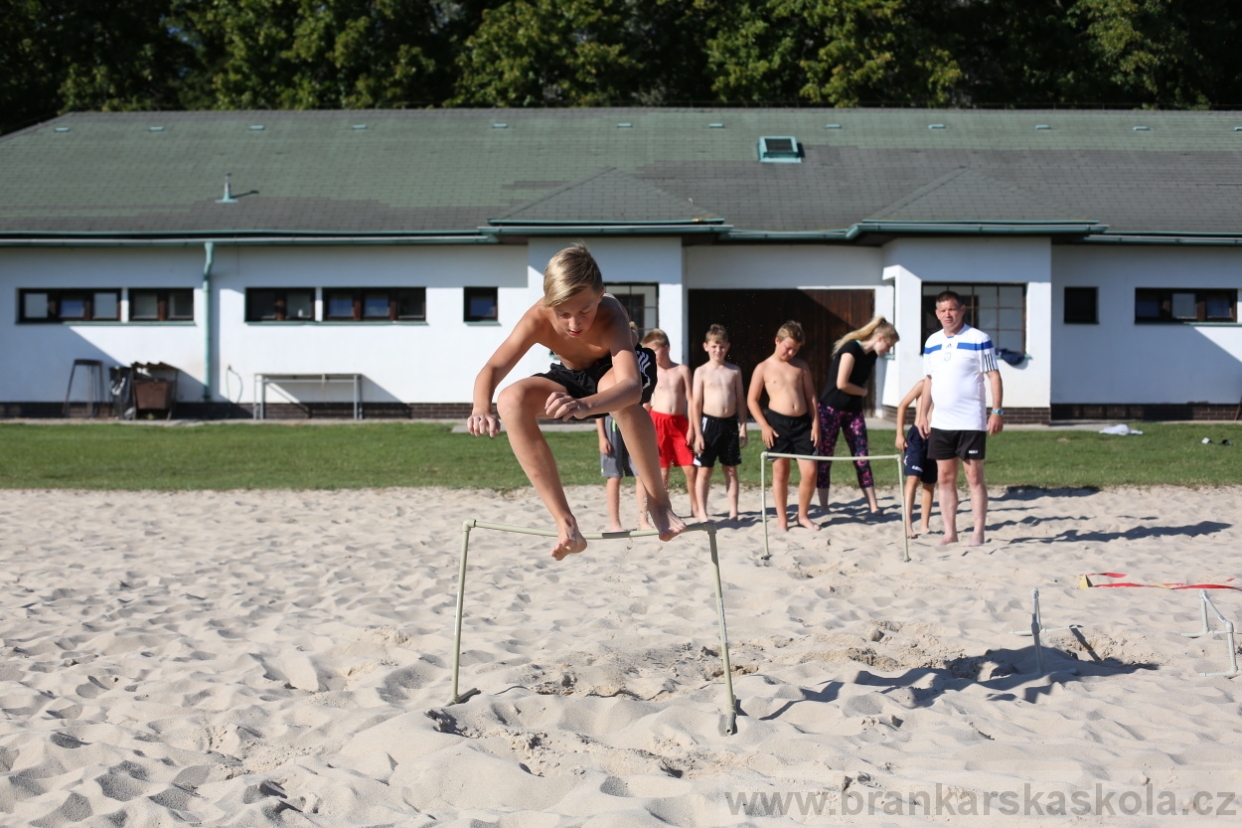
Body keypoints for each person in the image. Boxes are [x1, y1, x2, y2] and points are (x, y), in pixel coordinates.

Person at [467, 243, 686, 559]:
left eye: (584, 311)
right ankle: (565, 523)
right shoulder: (537, 318)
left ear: (600, 294)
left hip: (620, 371)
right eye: (563, 314)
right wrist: (480, 407)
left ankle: (659, 503)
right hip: (572, 373)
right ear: (549, 304)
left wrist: (586, 405)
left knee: (618, 394)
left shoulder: (611, 313)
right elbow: (492, 368)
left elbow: (631, 386)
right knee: (510, 400)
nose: (574, 324)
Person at [915, 290, 1003, 547]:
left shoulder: (979, 339)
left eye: (952, 309)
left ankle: (978, 532)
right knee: (945, 478)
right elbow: (928, 380)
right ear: (936, 314)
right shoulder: (931, 342)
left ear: (962, 310)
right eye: (942, 311)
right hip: (942, 423)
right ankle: (950, 532)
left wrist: (997, 411)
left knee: (974, 477)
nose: (947, 315)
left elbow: (994, 376)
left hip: (971, 422)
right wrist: (922, 414)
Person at [814, 316, 899, 515]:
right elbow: (841, 383)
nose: (889, 350)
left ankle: (874, 506)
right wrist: (863, 392)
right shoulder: (851, 348)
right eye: (889, 345)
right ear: (880, 338)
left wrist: (860, 393)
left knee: (862, 457)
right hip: (830, 409)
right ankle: (824, 506)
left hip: (853, 411)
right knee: (825, 458)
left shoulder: (872, 356)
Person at [747, 320, 822, 532]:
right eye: (787, 347)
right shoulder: (763, 367)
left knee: (810, 471)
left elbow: (811, 397)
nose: (790, 352)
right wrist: (764, 426)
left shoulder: (801, 366)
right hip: (777, 424)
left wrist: (816, 424)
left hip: (802, 424)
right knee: (781, 473)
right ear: (777, 341)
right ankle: (782, 519)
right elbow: (752, 400)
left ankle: (803, 515)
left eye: (795, 349)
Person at [640, 328, 700, 519]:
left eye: (655, 350)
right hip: (658, 422)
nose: (653, 354)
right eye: (649, 351)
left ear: (667, 348)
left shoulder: (681, 370)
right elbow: (647, 402)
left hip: (679, 422)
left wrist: (692, 427)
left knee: (690, 468)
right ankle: (665, 509)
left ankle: (696, 507)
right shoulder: (651, 372)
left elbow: (691, 400)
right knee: (663, 471)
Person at [690, 324, 747, 520]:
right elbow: (695, 404)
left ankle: (733, 511)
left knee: (730, 469)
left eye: (722, 346)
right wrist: (698, 434)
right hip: (709, 425)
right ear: (706, 346)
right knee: (705, 470)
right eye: (714, 346)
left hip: (730, 425)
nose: (718, 350)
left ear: (728, 347)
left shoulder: (734, 371)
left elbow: (740, 400)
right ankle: (703, 513)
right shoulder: (701, 371)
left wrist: (744, 427)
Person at [894, 378, 937, 539]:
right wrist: (899, 434)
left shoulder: (947, 384)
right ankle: (907, 523)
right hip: (917, 437)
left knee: (930, 483)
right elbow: (902, 405)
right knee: (913, 479)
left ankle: (924, 525)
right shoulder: (923, 384)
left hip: (936, 438)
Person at [597, 413, 648, 533]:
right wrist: (602, 437)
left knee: (641, 475)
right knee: (614, 477)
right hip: (611, 425)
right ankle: (614, 523)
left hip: (632, 422)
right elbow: (598, 412)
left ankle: (644, 521)